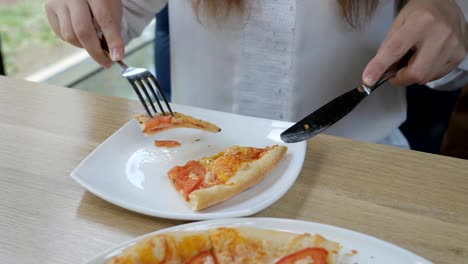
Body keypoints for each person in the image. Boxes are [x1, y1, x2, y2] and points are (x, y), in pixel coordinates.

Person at [44, 0, 468, 147]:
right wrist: (89, 19)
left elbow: (451, 66)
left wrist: (454, 25)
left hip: (361, 168)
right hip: (196, 165)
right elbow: (118, 16)